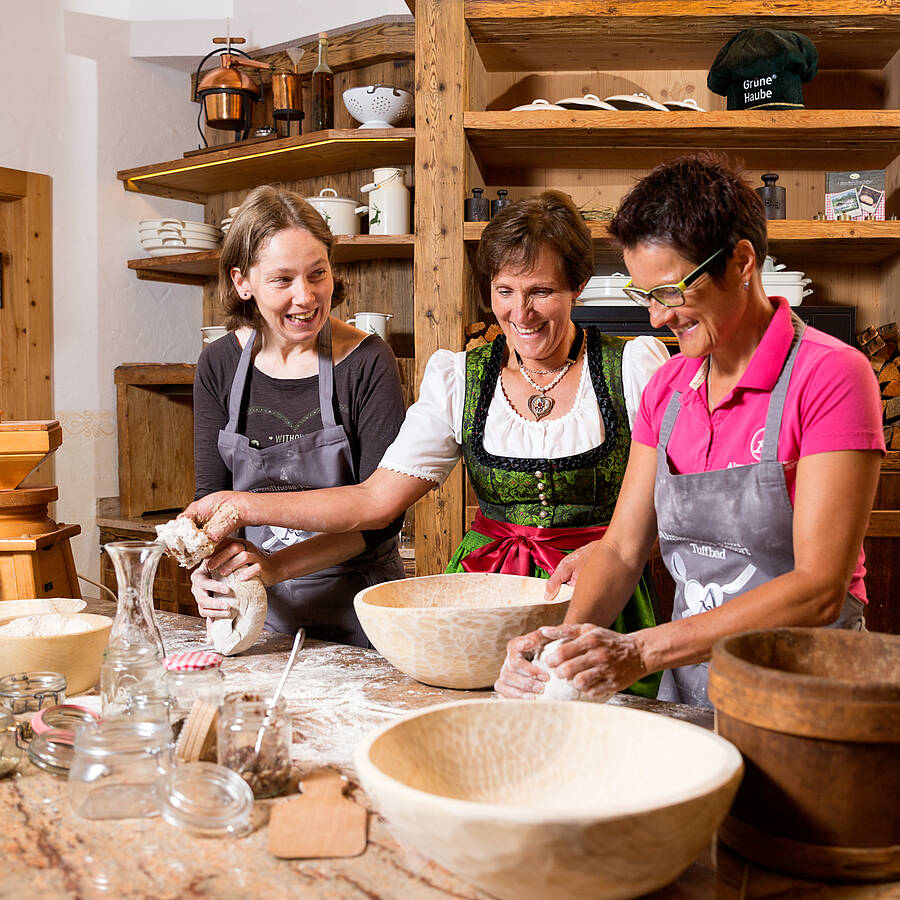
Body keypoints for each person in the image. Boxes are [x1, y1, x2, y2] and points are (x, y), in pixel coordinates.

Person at [181, 190, 669, 696]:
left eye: (541, 291)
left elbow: (675, 512)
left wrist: (619, 551)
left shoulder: (632, 369)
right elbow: (377, 500)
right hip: (485, 597)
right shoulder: (461, 379)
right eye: (504, 291)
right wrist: (241, 517)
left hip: (603, 596)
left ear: (578, 286)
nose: (521, 313)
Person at [494, 154, 886, 708]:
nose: (657, 317)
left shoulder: (832, 376)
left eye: (671, 291)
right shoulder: (669, 387)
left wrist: (641, 652)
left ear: (742, 262)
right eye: (645, 294)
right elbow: (624, 549)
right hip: (692, 686)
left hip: (808, 699)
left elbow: (819, 589)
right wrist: (561, 646)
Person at [190, 185, 406, 647]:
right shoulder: (219, 366)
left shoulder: (367, 363)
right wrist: (212, 572)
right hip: (258, 615)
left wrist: (277, 566)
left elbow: (382, 519)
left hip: (361, 613)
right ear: (242, 282)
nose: (306, 297)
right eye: (282, 280)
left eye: (318, 274)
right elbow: (212, 499)